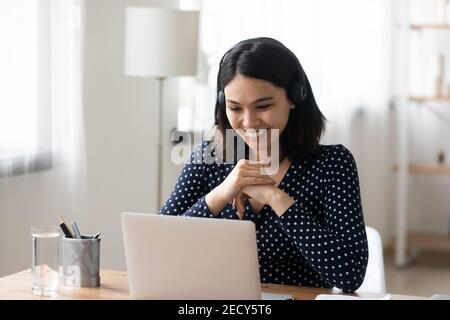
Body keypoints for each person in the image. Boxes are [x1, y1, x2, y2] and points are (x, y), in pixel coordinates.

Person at [160, 37, 368, 293]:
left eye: (263, 106)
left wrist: (275, 197)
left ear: (295, 96)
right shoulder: (210, 156)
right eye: (235, 108)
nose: (249, 122)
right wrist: (220, 194)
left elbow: (349, 274)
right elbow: (160, 247)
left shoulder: (332, 165)